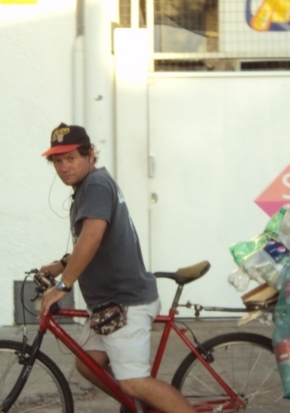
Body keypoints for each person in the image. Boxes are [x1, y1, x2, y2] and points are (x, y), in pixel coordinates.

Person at [38, 123, 196, 413]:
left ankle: (146, 396)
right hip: (107, 304)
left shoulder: (95, 185)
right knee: (88, 364)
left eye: (71, 158)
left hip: (125, 302)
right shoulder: (91, 185)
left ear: (89, 155)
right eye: (57, 161)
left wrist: (64, 284)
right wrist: (61, 265)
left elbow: (93, 236)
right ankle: (144, 405)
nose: (63, 167)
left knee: (134, 381)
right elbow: (94, 241)